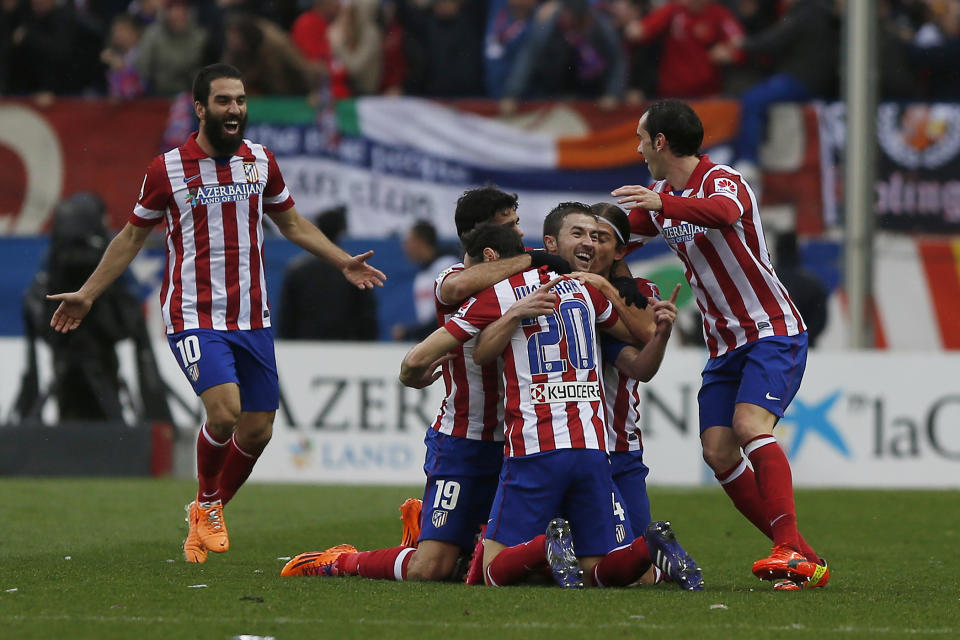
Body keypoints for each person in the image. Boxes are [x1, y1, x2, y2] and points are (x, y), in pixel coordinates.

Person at [47, 63, 386, 564]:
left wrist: (341, 261)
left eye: (241, 100)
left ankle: (205, 512)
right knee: (224, 412)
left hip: (252, 316)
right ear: (201, 108)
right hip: (194, 313)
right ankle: (206, 501)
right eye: (225, 101)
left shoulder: (260, 162)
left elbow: (290, 222)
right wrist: (89, 293)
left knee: (258, 429)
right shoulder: (167, 170)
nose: (235, 110)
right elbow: (131, 238)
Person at [280, 187, 570, 583]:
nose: (521, 233)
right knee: (429, 569)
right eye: (511, 223)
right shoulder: (452, 277)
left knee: (510, 566)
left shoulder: (533, 277)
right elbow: (452, 291)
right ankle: (340, 560)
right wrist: (534, 258)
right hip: (467, 440)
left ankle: (439, 530)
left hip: (527, 441)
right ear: (480, 234)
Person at [612, 98, 829, 591]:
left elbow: (722, 212)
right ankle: (801, 553)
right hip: (724, 344)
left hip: (771, 330)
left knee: (749, 424)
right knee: (717, 451)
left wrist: (661, 205)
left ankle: (789, 548)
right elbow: (615, 237)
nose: (639, 147)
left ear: (661, 142)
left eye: (642, 138)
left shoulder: (722, 181)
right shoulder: (661, 195)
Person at [440, 203, 700, 590]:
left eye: (599, 238)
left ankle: (547, 548)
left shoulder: (597, 293)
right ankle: (645, 546)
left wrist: (418, 363)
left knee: (493, 569)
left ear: (618, 251)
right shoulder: (588, 294)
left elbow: (476, 346)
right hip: (594, 448)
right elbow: (642, 351)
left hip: (568, 449)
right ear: (550, 243)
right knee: (605, 567)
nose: (590, 244)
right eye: (581, 235)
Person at [277, 206, 379, 341]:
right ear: (341, 231)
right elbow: (367, 317)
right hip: (347, 348)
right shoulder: (356, 271)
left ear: (317, 228)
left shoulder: (297, 269)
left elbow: (287, 317)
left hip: (305, 347)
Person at [391, 220, 459, 342]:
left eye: (408, 242)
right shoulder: (422, 275)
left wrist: (409, 332)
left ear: (420, 242)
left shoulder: (448, 266)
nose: (404, 247)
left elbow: (449, 313)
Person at [774, 231, 827, 348]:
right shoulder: (812, 283)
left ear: (777, 251)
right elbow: (820, 321)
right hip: (804, 350)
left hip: (771, 348)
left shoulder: (765, 281)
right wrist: (802, 338)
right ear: (797, 252)